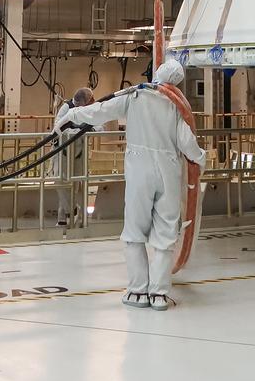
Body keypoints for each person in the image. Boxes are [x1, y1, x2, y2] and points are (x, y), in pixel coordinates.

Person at [56, 60, 205, 311]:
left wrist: (69, 115)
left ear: (156, 74)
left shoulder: (136, 95)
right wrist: (201, 161)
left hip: (139, 169)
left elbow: (101, 110)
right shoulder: (177, 105)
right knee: (165, 233)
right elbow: (187, 142)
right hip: (169, 170)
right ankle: (158, 294)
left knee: (135, 230)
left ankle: (138, 290)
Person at [53, 87, 94, 227]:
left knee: (75, 184)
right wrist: (78, 131)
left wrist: (87, 130)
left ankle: (63, 219)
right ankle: (72, 210)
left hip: (79, 152)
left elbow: (100, 126)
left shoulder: (92, 109)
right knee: (59, 181)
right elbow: (57, 126)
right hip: (62, 150)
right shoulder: (67, 107)